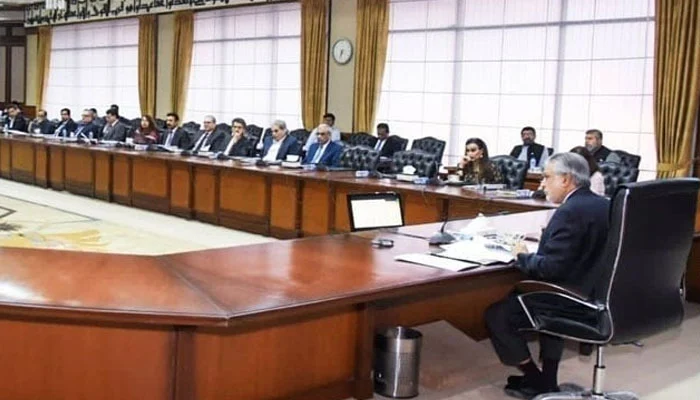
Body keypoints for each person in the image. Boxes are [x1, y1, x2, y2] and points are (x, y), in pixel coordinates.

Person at [485, 152, 609, 399]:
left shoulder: (569, 211)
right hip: (595, 295)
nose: (542, 184)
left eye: (546, 177)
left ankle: (535, 378)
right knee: (543, 300)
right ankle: (548, 380)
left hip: (568, 299)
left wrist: (521, 255)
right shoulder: (606, 204)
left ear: (566, 179)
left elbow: (550, 269)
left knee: (497, 315)